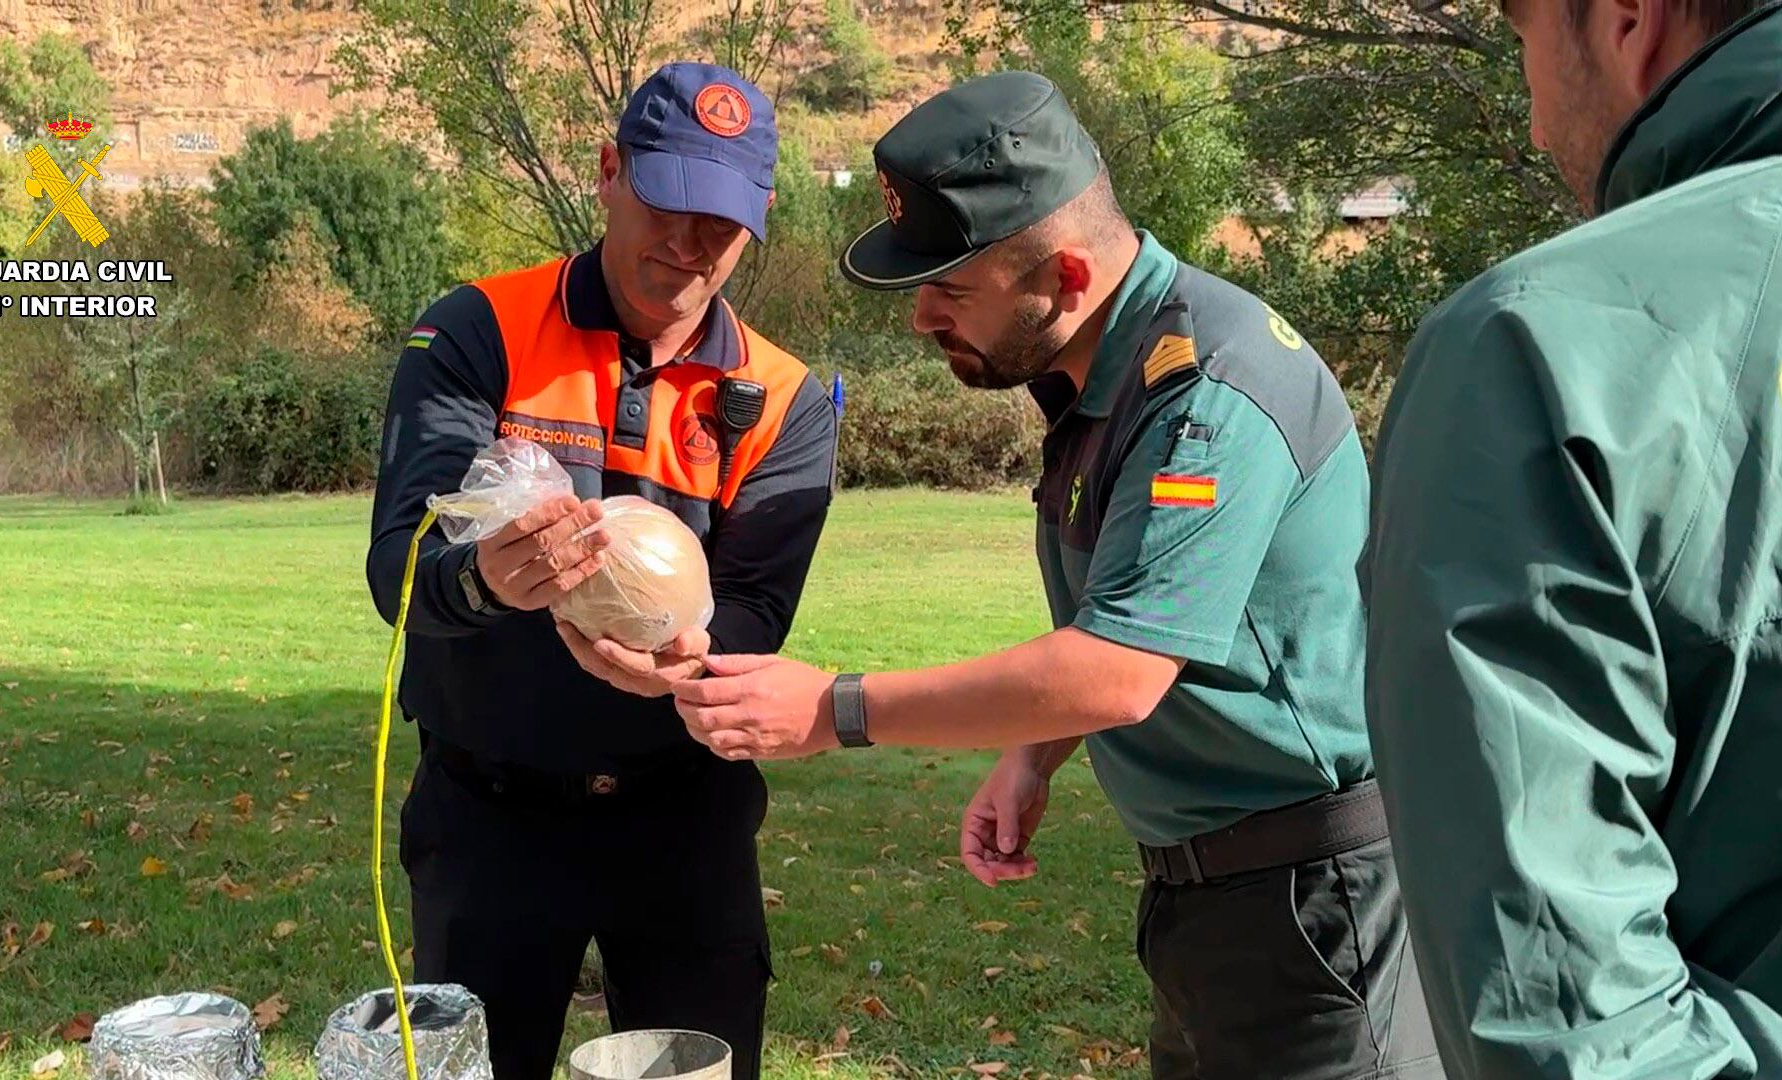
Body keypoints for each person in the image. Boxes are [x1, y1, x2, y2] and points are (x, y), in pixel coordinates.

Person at [671, 70, 1444, 1080]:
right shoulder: (1097, 376)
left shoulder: (1208, 393)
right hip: (1216, 896)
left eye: (950, 290)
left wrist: (836, 708)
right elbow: (1129, 603)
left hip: (1314, 900)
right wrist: (1034, 756)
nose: (920, 319)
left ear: (1066, 280)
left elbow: (1120, 667)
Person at [365, 61, 838, 1080]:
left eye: (720, 224)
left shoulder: (785, 395)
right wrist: (486, 580)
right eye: (667, 201)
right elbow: (400, 567)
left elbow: (756, 607)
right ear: (609, 172)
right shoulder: (475, 331)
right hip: (489, 816)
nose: (687, 244)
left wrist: (695, 658)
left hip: (685, 821)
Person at [1363, 0, 1782, 1075]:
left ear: (1628, 19)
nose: (1539, 124)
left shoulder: (1537, 352)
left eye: (1523, 41)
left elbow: (1565, 1021)